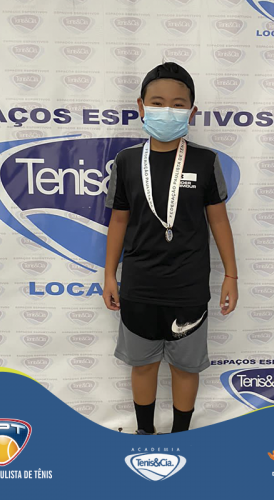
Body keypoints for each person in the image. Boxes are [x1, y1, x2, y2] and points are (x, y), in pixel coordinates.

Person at [103, 62, 238, 434]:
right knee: (143, 365)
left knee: (185, 368)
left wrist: (231, 275)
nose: (168, 111)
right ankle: (144, 432)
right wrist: (109, 275)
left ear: (192, 112)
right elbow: (118, 222)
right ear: (141, 107)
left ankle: (182, 437)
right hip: (139, 287)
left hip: (188, 288)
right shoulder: (127, 162)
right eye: (158, 103)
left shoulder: (205, 161)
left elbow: (219, 221)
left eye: (178, 105)